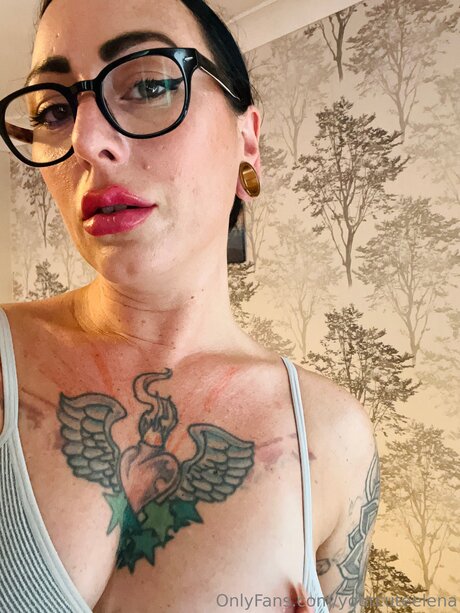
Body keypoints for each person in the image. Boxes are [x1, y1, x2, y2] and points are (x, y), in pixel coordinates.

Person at [0, 0, 380, 611]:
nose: (85, 141)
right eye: (55, 110)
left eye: (149, 85)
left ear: (247, 141)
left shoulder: (331, 438)